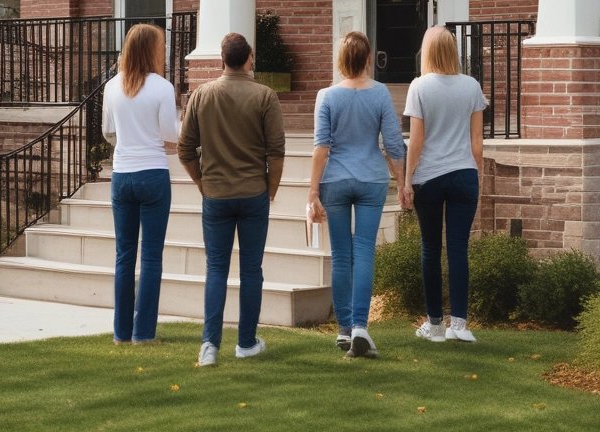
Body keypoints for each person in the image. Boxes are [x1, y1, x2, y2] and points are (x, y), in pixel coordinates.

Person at [178, 32, 285, 367]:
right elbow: (276, 151)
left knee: (216, 269)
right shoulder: (265, 96)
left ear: (221, 59)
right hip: (253, 192)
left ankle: (209, 345)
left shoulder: (201, 95)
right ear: (249, 57)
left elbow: (184, 149)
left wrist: (200, 181)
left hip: (216, 194)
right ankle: (246, 342)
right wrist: (271, 189)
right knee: (251, 269)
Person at [307, 31, 406, 359]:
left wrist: (312, 191)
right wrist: (402, 181)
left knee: (341, 255)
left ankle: (345, 330)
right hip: (371, 180)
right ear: (367, 59)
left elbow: (321, 147)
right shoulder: (380, 94)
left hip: (334, 181)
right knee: (364, 251)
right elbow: (393, 144)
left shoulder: (327, 96)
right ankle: (361, 326)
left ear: (340, 61)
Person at [403, 25, 487, 344]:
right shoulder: (471, 86)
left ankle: (436, 326)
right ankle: (461, 325)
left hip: (430, 177)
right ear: (453, 51)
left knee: (430, 249)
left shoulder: (419, 87)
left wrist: (408, 180)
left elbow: (417, 140)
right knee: (458, 248)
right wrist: (474, 174)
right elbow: (477, 142)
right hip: (464, 175)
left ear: (427, 52)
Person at [102, 22, 179, 345]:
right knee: (150, 257)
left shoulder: (111, 87)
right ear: (153, 50)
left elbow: (108, 132)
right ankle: (143, 333)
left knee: (124, 255)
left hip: (122, 175)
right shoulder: (162, 88)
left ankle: (121, 333)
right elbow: (171, 136)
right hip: (153, 174)